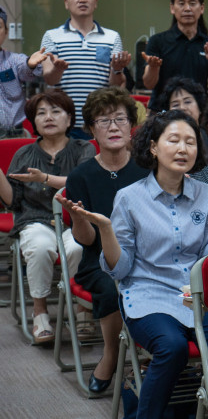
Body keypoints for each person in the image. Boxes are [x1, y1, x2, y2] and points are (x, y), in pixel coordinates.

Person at [63, 110, 208, 418]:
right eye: (173, 140)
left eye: (190, 142)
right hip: (148, 294)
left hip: (198, 297)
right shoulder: (130, 197)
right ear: (153, 147)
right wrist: (106, 231)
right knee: (172, 347)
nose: (183, 149)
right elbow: (120, 269)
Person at [58, 87, 149, 393]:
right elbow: (86, 241)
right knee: (112, 288)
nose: (113, 127)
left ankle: (152, 357)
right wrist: (78, 217)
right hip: (99, 260)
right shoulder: (81, 176)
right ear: (91, 129)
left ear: (131, 125)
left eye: (120, 119)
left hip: (147, 255)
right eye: (104, 120)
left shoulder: (147, 168)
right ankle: (111, 354)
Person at [0, 89, 95, 343]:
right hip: (34, 219)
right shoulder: (24, 154)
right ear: (34, 121)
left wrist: (44, 178)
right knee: (40, 247)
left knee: (77, 249)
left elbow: (82, 183)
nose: (48, 117)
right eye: (41, 113)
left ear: (69, 118)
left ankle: (82, 308)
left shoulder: (84, 148)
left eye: (55, 111)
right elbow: (13, 201)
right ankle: (40, 311)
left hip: (75, 221)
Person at [40, 0, 131, 139]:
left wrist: (117, 70)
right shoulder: (51, 36)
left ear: (95, 2)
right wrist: (58, 70)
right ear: (66, 2)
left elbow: (115, 86)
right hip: (64, 121)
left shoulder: (112, 37)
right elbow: (49, 79)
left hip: (100, 120)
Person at [140, 0, 208, 113]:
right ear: (172, 8)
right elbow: (148, 84)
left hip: (198, 115)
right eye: (181, 3)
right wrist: (153, 68)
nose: (187, 8)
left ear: (201, 8)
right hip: (162, 114)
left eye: (192, 3)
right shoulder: (157, 41)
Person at [0, 5, 47, 138]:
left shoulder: (14, 60)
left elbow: (26, 70)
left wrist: (30, 64)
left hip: (14, 135)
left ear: (6, 32)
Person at [152, 76, 208, 148]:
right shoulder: (162, 140)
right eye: (176, 105)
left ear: (200, 107)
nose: (182, 108)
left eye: (187, 102)